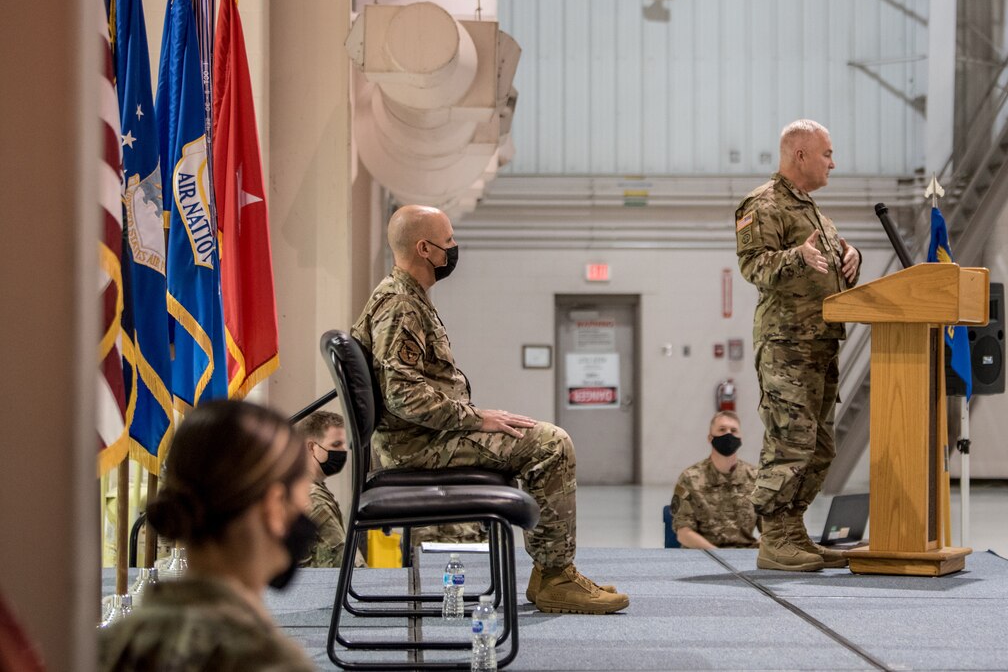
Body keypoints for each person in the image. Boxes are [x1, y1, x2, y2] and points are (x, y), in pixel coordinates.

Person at [352, 204, 628, 614]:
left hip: (426, 437)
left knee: (531, 431)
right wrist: (477, 418)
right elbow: (402, 396)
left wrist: (475, 416)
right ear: (424, 249)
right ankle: (555, 577)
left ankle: (550, 573)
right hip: (418, 447)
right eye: (448, 241)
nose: (455, 248)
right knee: (551, 444)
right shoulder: (399, 306)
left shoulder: (407, 297)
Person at [98, 400, 317, 671]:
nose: (307, 507)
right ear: (274, 507)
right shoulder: (268, 661)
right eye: (305, 491)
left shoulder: (105, 648)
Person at [735, 119, 861, 572]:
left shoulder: (816, 214)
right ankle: (775, 539)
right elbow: (753, 266)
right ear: (800, 155)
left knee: (820, 446)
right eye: (827, 153)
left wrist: (853, 258)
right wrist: (796, 256)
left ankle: (794, 531)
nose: (834, 162)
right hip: (786, 345)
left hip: (822, 344)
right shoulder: (763, 204)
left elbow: (830, 268)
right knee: (790, 443)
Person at [670, 411, 758, 549]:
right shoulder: (689, 478)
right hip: (703, 556)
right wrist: (719, 558)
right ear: (710, 438)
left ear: (740, 438)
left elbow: (771, 531)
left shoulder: (756, 478)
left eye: (733, 430)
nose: (728, 434)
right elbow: (683, 533)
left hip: (745, 556)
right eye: (722, 429)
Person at [294, 410, 353, 568]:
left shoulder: (299, 486)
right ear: (312, 448)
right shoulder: (314, 499)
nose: (343, 450)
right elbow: (346, 566)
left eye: (343, 444)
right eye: (336, 444)